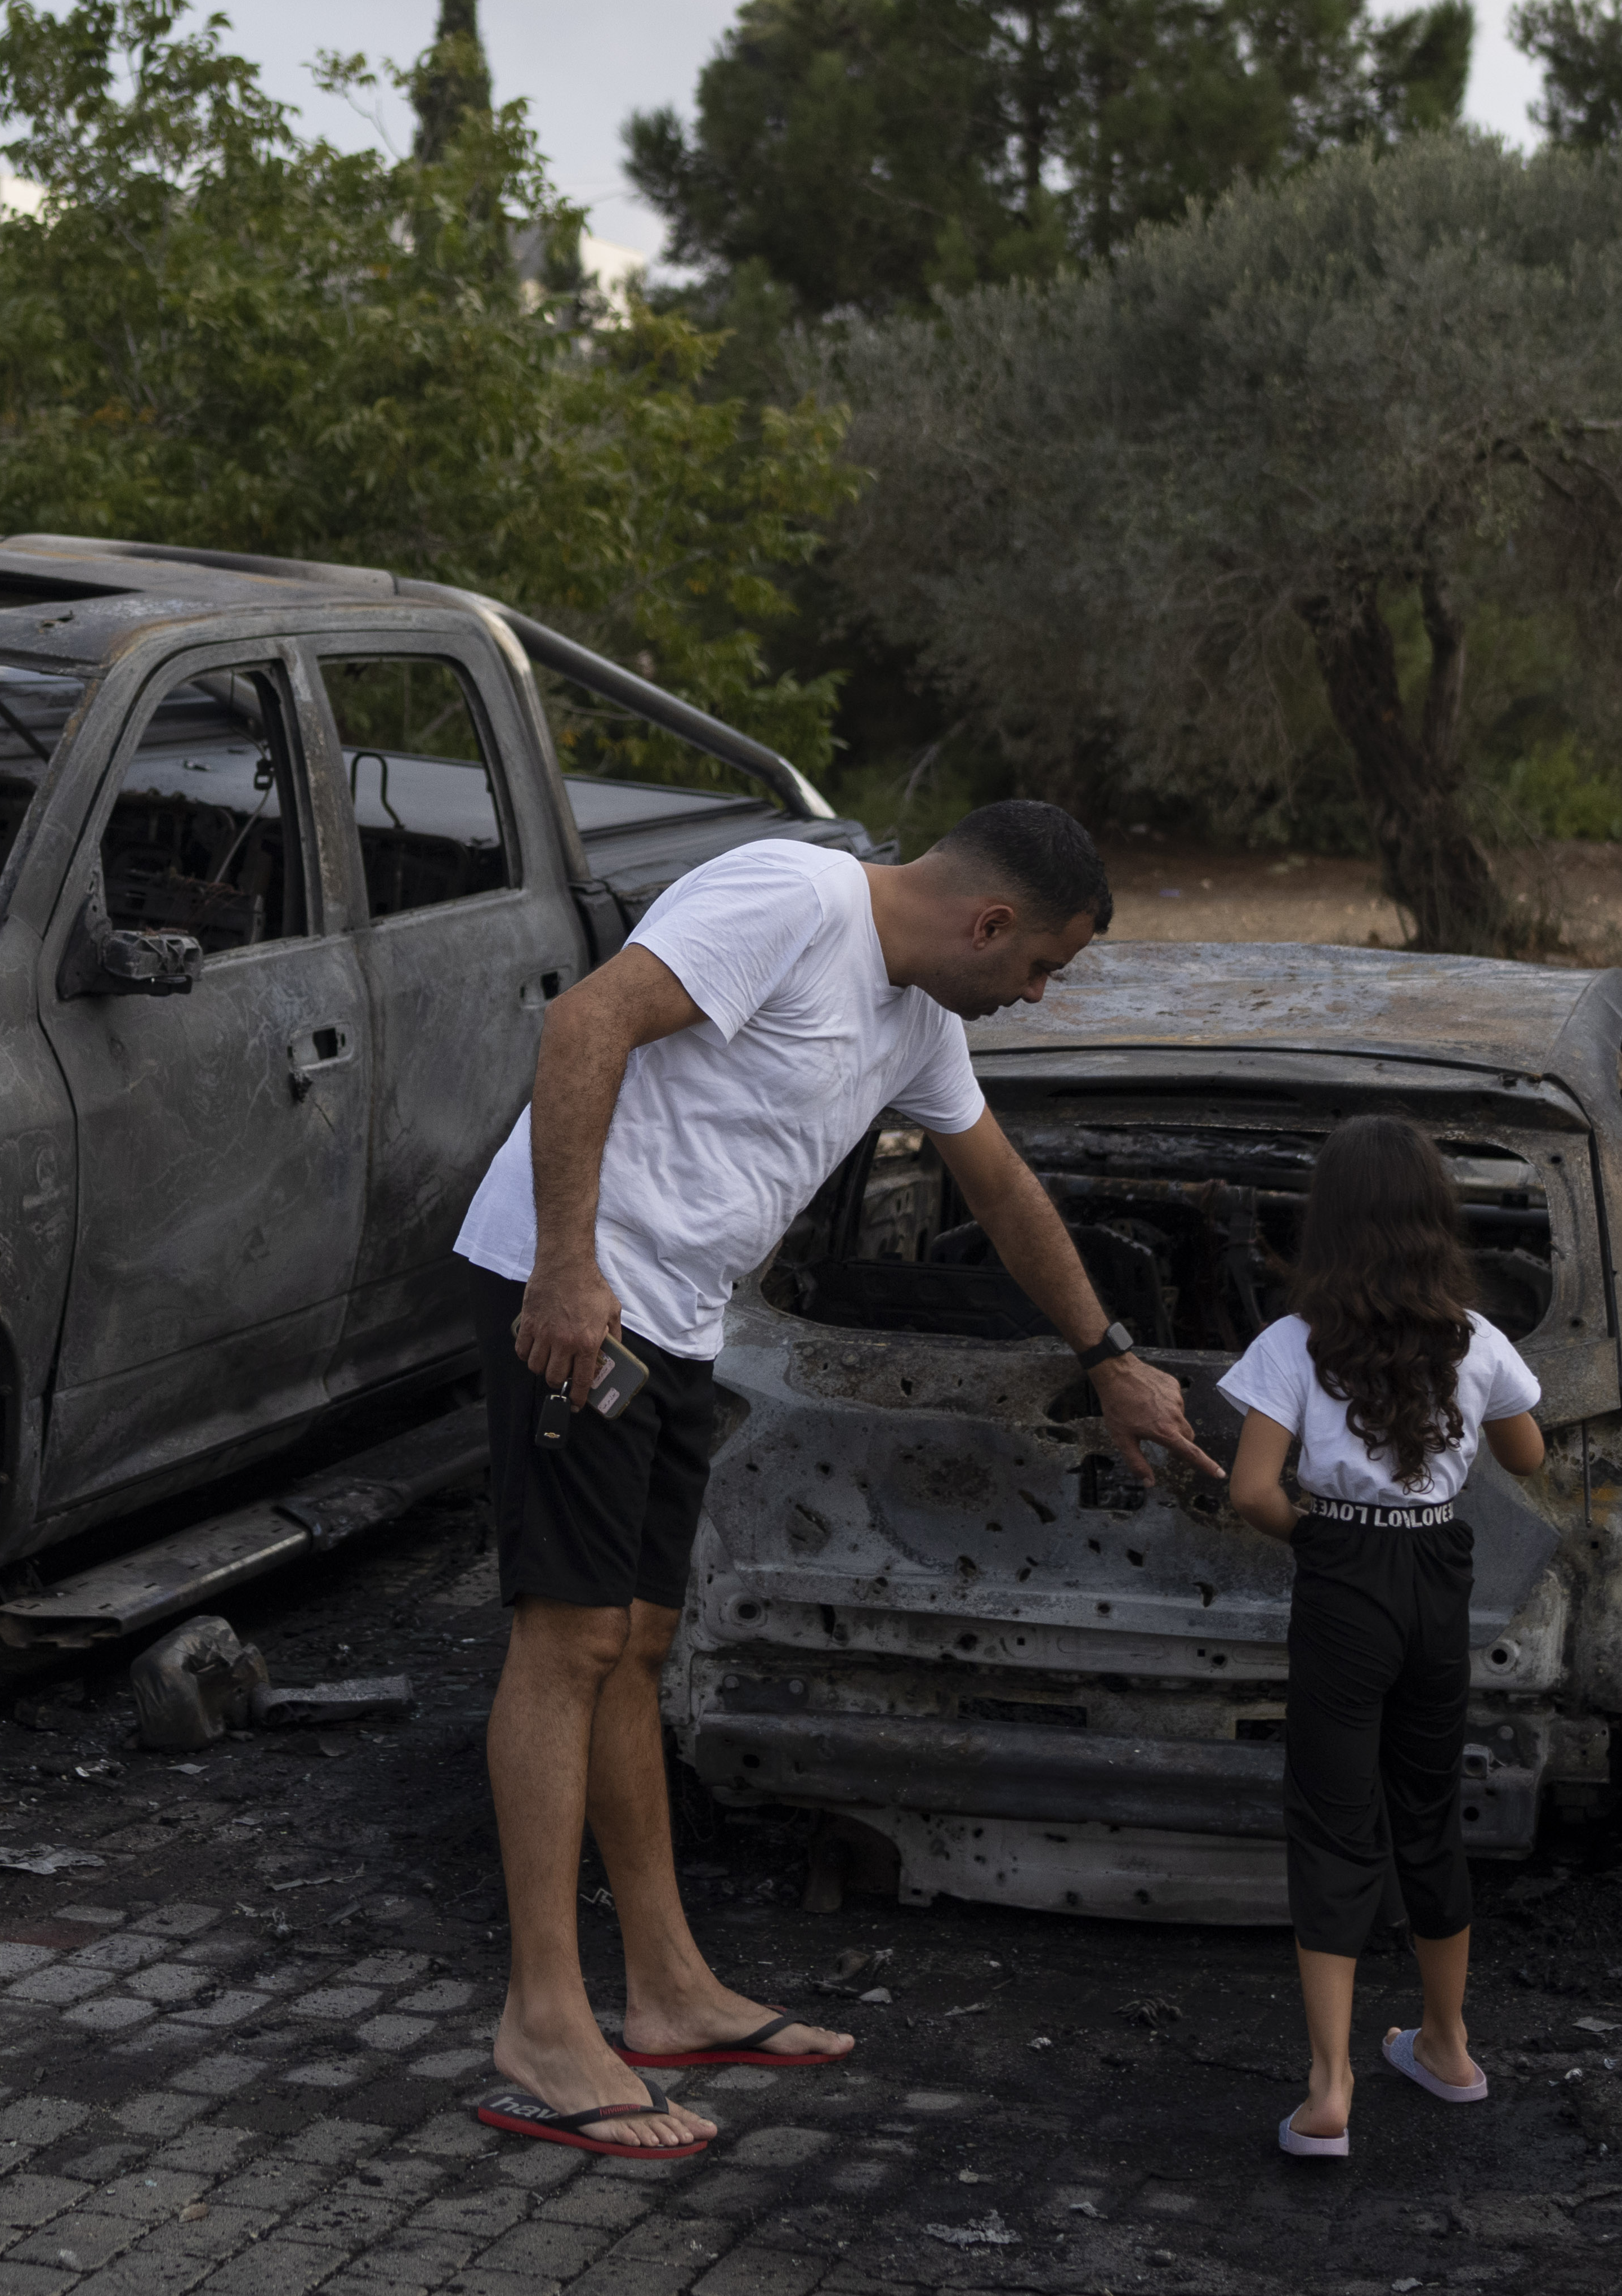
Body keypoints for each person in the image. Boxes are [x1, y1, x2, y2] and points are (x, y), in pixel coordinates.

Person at [454, 799, 1216, 2160]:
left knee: (636, 1642)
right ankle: (543, 2021)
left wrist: (1108, 1358)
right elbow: (584, 1024)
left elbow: (1001, 1191)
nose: (1037, 994)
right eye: (1041, 966)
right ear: (990, 922)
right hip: (570, 1295)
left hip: (676, 1322)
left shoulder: (919, 1021)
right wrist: (565, 1266)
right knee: (565, 1641)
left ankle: (667, 1988)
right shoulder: (790, 903)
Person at [1216, 1113, 1552, 2160]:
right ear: (1432, 1221)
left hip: (1344, 1579)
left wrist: (1319, 1535)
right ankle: (1446, 2046)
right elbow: (1529, 1457)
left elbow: (1251, 1491)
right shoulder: (1474, 1339)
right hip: (1435, 1577)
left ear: (1329, 1224)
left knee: (1332, 1821)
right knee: (1427, 1809)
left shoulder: (1292, 1345)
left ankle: (1329, 2089)